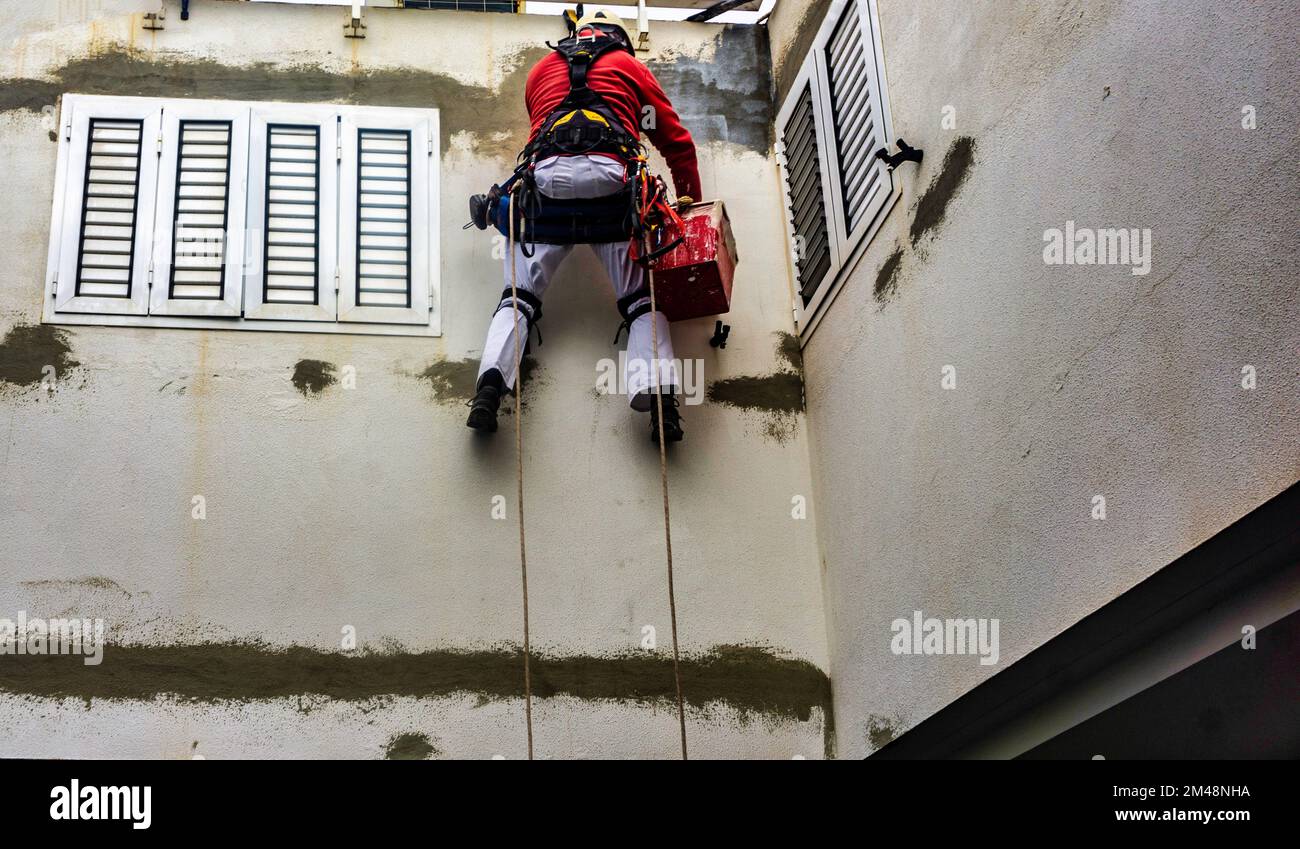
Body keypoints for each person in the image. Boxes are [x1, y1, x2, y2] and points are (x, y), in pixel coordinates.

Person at [467, 7, 701, 444]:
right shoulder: (628, 65)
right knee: (641, 302)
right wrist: (688, 201)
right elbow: (676, 142)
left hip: (547, 188)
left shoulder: (540, 71)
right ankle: (661, 399)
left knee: (517, 298)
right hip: (613, 192)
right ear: (618, 38)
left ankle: (489, 386)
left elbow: (540, 129)